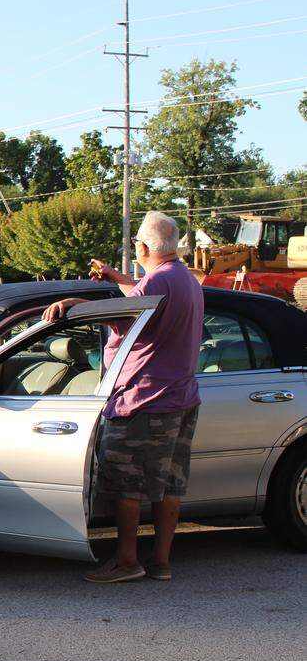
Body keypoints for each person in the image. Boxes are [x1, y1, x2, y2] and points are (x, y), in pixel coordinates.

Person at [42, 211, 203, 583]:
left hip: (143, 400)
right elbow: (141, 296)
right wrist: (115, 275)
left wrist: (72, 304)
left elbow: (122, 311)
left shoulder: (156, 285)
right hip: (182, 398)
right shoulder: (183, 279)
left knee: (126, 485)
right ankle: (161, 561)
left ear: (144, 247)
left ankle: (127, 560)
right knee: (170, 484)